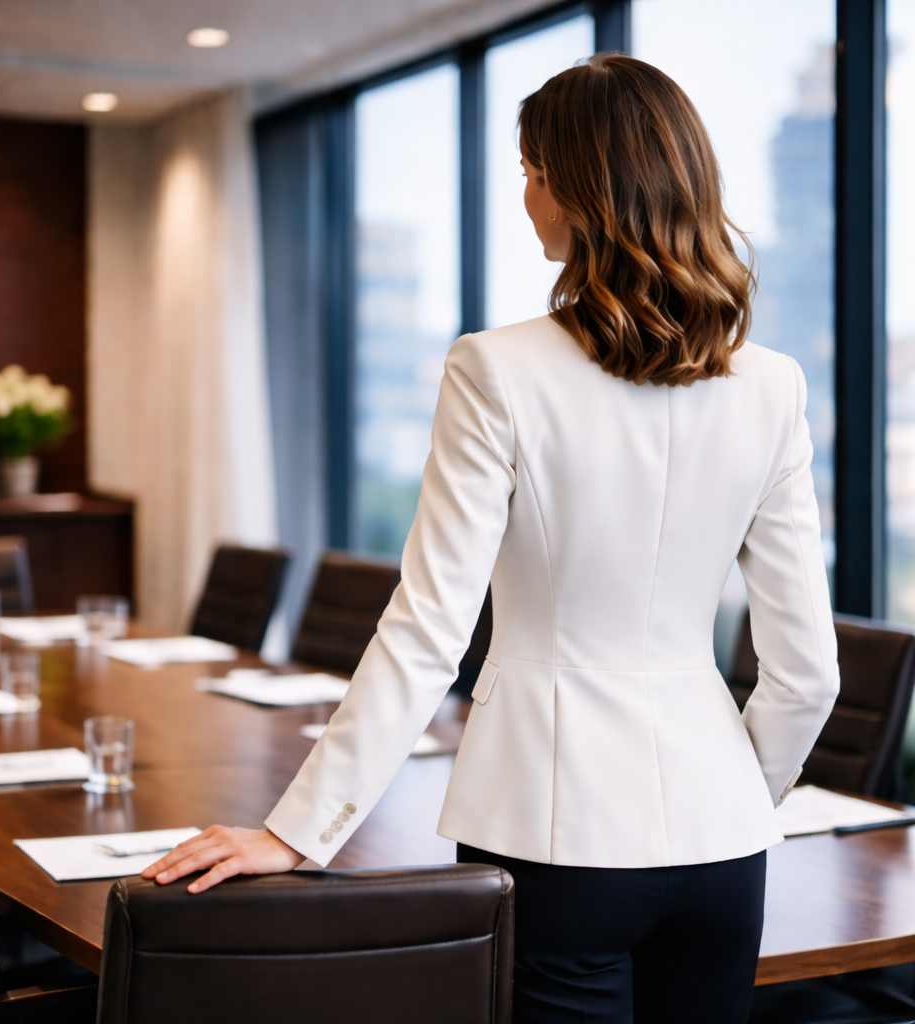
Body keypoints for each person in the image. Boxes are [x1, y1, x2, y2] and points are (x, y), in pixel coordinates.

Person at [144, 54, 839, 1023]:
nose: (525, 193)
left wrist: (298, 831)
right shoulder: (773, 386)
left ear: (581, 189)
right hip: (724, 857)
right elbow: (808, 674)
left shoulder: (495, 369)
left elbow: (428, 628)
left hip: (557, 842)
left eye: (534, 170)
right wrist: (729, 796)